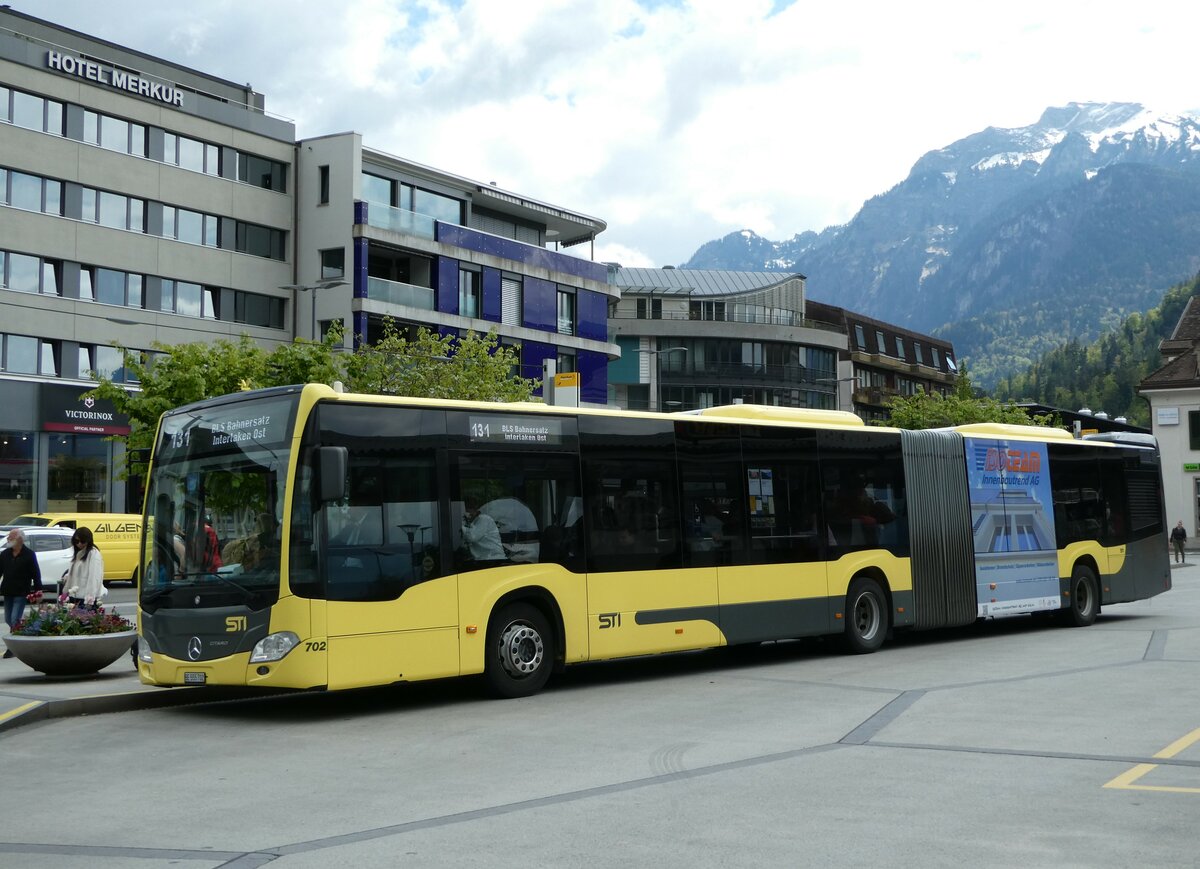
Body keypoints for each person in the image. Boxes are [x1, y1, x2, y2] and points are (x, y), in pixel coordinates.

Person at [0, 528, 42, 656]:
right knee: (8, 618)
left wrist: (38, 590)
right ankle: (22, 636)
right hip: (8, 590)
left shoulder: (29, 554)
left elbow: (36, 574)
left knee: (14, 619)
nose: (8, 539)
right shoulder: (5, 554)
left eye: (10, 537)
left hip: (21, 592)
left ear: (19, 539)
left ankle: (13, 648)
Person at [63, 526, 105, 609]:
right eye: (76, 541)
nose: (79, 544)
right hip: (74, 595)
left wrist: (89, 599)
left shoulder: (93, 554)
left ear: (88, 541)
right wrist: (67, 577)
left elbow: (94, 577)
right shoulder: (78, 553)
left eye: (82, 541)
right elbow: (75, 572)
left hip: (85, 598)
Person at [461, 496, 505, 562]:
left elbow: (472, 537)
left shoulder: (484, 519)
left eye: (470, 508)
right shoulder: (472, 522)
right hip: (482, 559)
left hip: (493, 559)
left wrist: (459, 524)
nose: (469, 512)